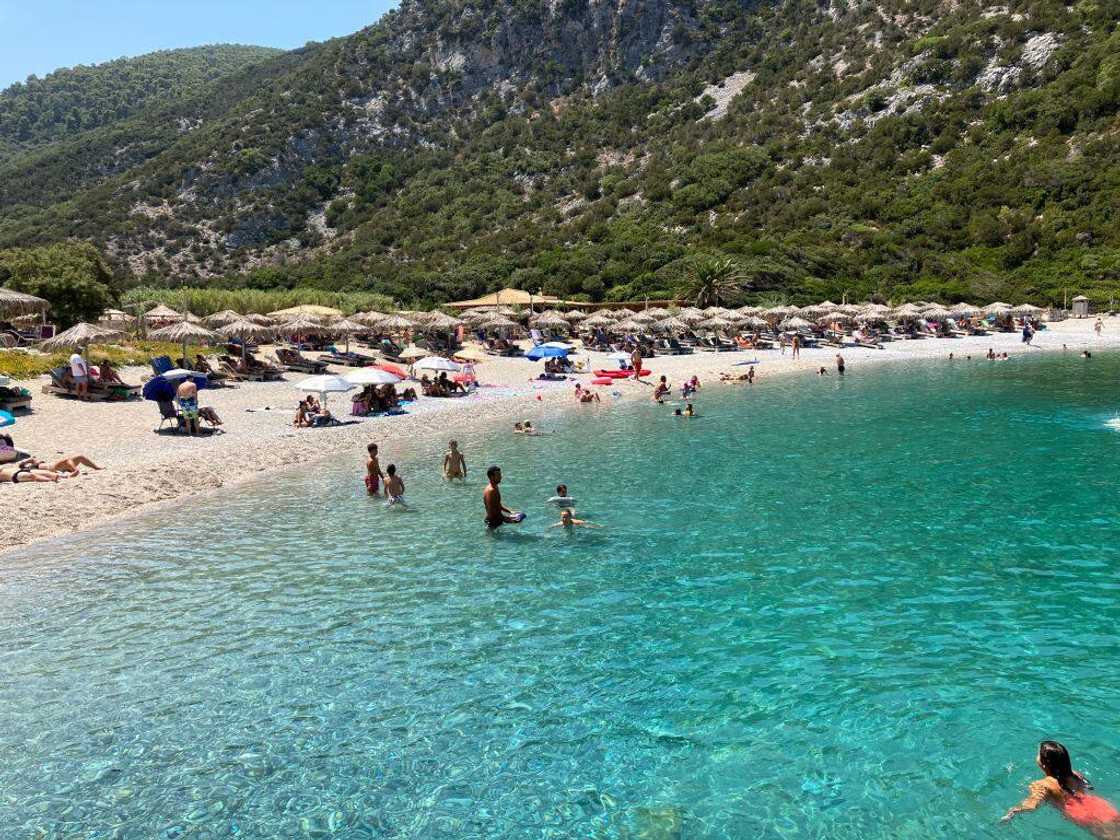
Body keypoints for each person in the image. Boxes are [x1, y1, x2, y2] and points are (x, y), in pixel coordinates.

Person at [1002, 741, 1120, 837]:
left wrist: (1013, 812)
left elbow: (1032, 804)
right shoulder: (1075, 774)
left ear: (1043, 764)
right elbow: (1088, 785)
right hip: (1099, 806)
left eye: (1038, 754)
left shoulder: (1042, 784)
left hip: (1080, 813)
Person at [484, 465, 523, 529]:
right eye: (498, 475)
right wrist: (509, 520)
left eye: (500, 475)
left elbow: (497, 505)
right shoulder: (491, 491)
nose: (501, 477)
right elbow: (493, 512)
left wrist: (510, 512)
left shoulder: (494, 486)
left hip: (495, 521)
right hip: (493, 524)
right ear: (491, 477)